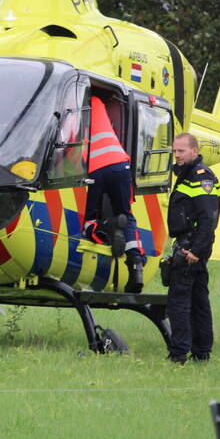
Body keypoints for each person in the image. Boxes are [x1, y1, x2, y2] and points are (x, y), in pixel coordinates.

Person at [165, 132, 220, 364]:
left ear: (194, 152)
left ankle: (178, 355)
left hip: (192, 247)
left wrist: (196, 251)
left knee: (178, 302)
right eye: (175, 151)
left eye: (181, 151)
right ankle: (201, 353)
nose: (176, 155)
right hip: (191, 245)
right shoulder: (187, 175)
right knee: (199, 300)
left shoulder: (201, 177)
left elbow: (209, 219)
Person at [83, 96, 145, 293]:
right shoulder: (98, 101)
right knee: (126, 214)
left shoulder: (72, 100)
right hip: (119, 163)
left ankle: (105, 231)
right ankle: (136, 264)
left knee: (90, 217)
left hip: (95, 168)